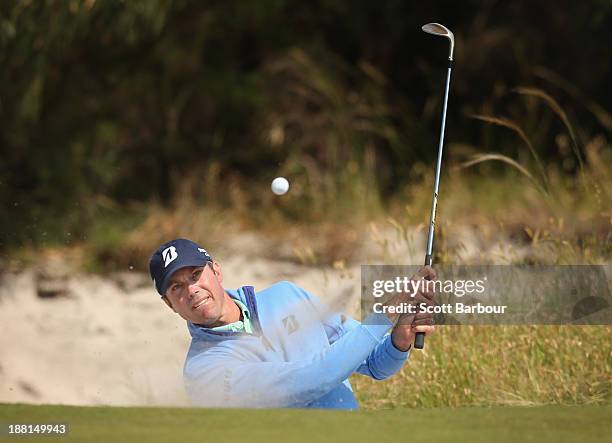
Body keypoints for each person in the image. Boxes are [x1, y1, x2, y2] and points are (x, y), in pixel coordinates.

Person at [149, 238, 435, 409]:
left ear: (216, 271)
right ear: (168, 305)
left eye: (196, 274)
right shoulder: (204, 371)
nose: (191, 290)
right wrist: (388, 311)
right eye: (176, 288)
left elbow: (375, 363)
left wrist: (399, 339)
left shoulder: (287, 296)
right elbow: (313, 379)